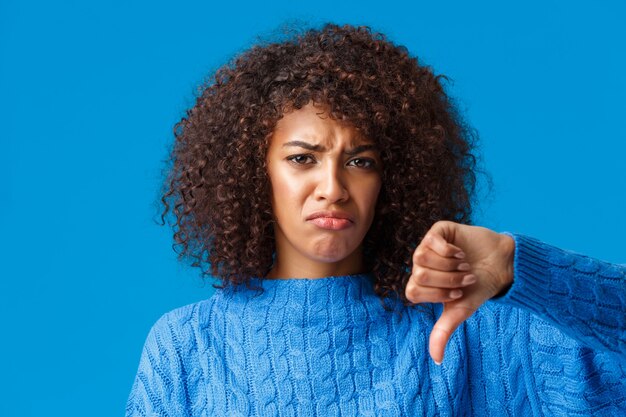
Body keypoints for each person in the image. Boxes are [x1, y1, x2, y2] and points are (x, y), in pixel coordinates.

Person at [125, 23, 626, 416]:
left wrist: (519, 267)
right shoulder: (188, 346)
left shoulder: (470, 336)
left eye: (360, 161)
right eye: (303, 158)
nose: (334, 188)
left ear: (392, 181)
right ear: (253, 175)